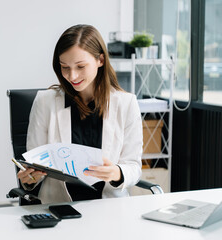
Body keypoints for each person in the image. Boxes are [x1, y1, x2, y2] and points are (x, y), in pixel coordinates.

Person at [17, 24, 142, 204]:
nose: (72, 76)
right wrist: (30, 179)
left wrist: (117, 173)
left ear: (100, 60)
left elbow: (134, 167)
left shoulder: (126, 104)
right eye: (64, 67)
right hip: (59, 206)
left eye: (80, 66)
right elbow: (35, 166)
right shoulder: (45, 102)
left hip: (109, 208)